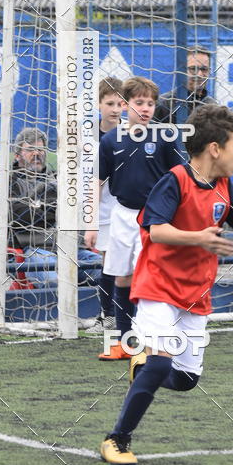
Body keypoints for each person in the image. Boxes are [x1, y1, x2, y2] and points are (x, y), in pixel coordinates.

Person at [99, 104, 233, 465]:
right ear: (215, 148)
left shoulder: (226, 187)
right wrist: (198, 238)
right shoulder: (175, 180)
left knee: (186, 380)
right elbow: (155, 230)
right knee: (162, 364)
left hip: (195, 293)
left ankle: (142, 368)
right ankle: (117, 440)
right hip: (157, 285)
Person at [97, 75, 184, 360]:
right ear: (125, 104)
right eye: (139, 102)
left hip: (157, 218)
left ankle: (159, 340)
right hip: (123, 215)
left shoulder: (165, 137)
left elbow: (179, 179)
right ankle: (125, 342)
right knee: (123, 277)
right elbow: (98, 182)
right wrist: (90, 224)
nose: (146, 108)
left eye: (151, 103)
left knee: (155, 278)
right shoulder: (110, 141)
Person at [0, 127, 98, 285]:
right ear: (17, 155)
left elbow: (76, 210)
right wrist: (52, 210)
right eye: (30, 150)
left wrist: (37, 208)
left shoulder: (59, 179)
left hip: (72, 249)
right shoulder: (7, 184)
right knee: (56, 283)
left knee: (108, 273)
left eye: (40, 149)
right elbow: (10, 216)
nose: (36, 154)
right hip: (32, 250)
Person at [83, 77, 125, 333]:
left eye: (120, 103)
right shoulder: (87, 137)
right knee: (109, 263)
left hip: (128, 208)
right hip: (104, 210)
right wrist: (91, 218)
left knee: (133, 263)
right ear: (98, 105)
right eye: (109, 103)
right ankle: (107, 315)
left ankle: (129, 315)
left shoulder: (133, 132)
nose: (115, 109)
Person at [153, 47, 216, 124]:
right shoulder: (163, 104)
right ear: (182, 70)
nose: (199, 74)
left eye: (204, 69)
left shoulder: (212, 105)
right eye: (193, 69)